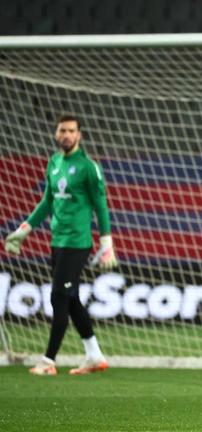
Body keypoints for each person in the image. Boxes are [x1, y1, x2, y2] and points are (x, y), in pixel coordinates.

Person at [4, 113, 117, 376]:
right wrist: (24, 229)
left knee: (58, 296)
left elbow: (101, 205)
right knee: (71, 297)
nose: (65, 135)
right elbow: (47, 201)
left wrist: (107, 242)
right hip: (58, 240)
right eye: (62, 130)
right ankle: (94, 355)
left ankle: (48, 360)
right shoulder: (54, 162)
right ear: (56, 134)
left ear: (79, 135)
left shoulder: (89, 167)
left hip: (78, 242)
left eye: (70, 131)